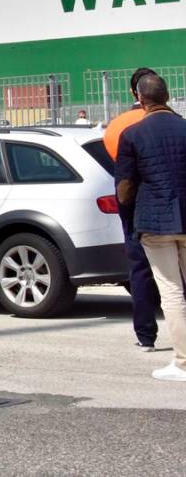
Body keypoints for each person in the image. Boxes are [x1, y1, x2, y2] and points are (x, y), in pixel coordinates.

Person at [114, 74, 186, 381]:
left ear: (140, 99)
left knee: (171, 292)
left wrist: (129, 212)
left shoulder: (132, 134)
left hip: (155, 223)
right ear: (168, 96)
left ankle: (182, 362)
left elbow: (124, 189)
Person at [103, 67, 163, 352]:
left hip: (133, 203)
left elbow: (119, 168)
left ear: (133, 93)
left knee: (139, 269)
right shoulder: (169, 120)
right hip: (167, 199)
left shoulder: (117, 126)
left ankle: (145, 334)